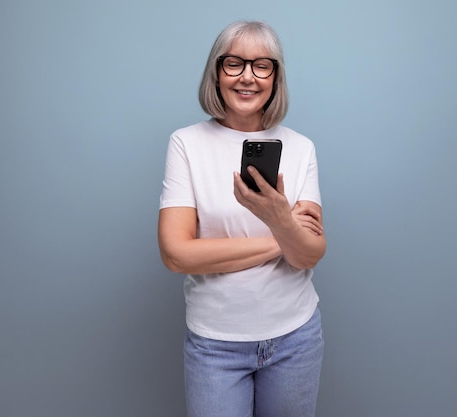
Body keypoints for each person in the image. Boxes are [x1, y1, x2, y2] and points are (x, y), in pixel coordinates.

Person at [158, 20, 326, 417]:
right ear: (216, 73)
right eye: (234, 63)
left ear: (275, 77)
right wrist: (283, 231)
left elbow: (309, 255)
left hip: (295, 340)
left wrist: (278, 220)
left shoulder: (300, 148)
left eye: (261, 66)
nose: (247, 77)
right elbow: (177, 254)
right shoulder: (186, 144)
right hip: (215, 345)